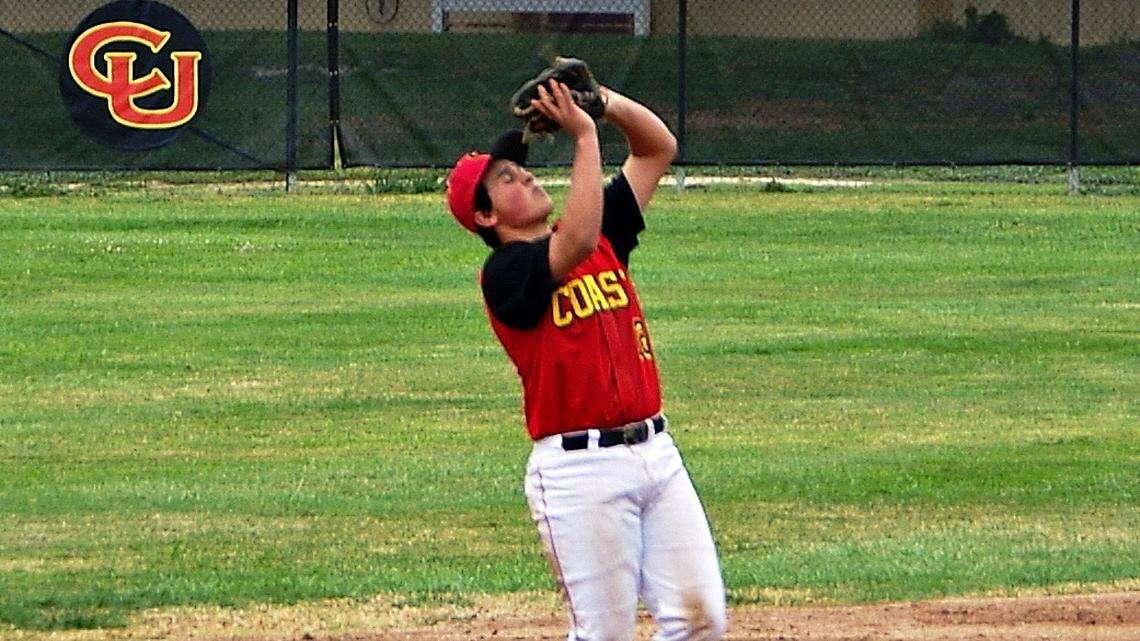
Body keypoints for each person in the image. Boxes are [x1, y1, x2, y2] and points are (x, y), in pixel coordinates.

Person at [445, 80, 727, 641]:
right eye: (505, 179)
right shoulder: (506, 273)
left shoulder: (604, 238)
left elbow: (657, 150)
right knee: (604, 635)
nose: (523, 175)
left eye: (520, 169)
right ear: (483, 217)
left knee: (701, 624)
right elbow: (572, 241)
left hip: (657, 456)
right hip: (580, 473)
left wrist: (602, 101)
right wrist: (584, 136)